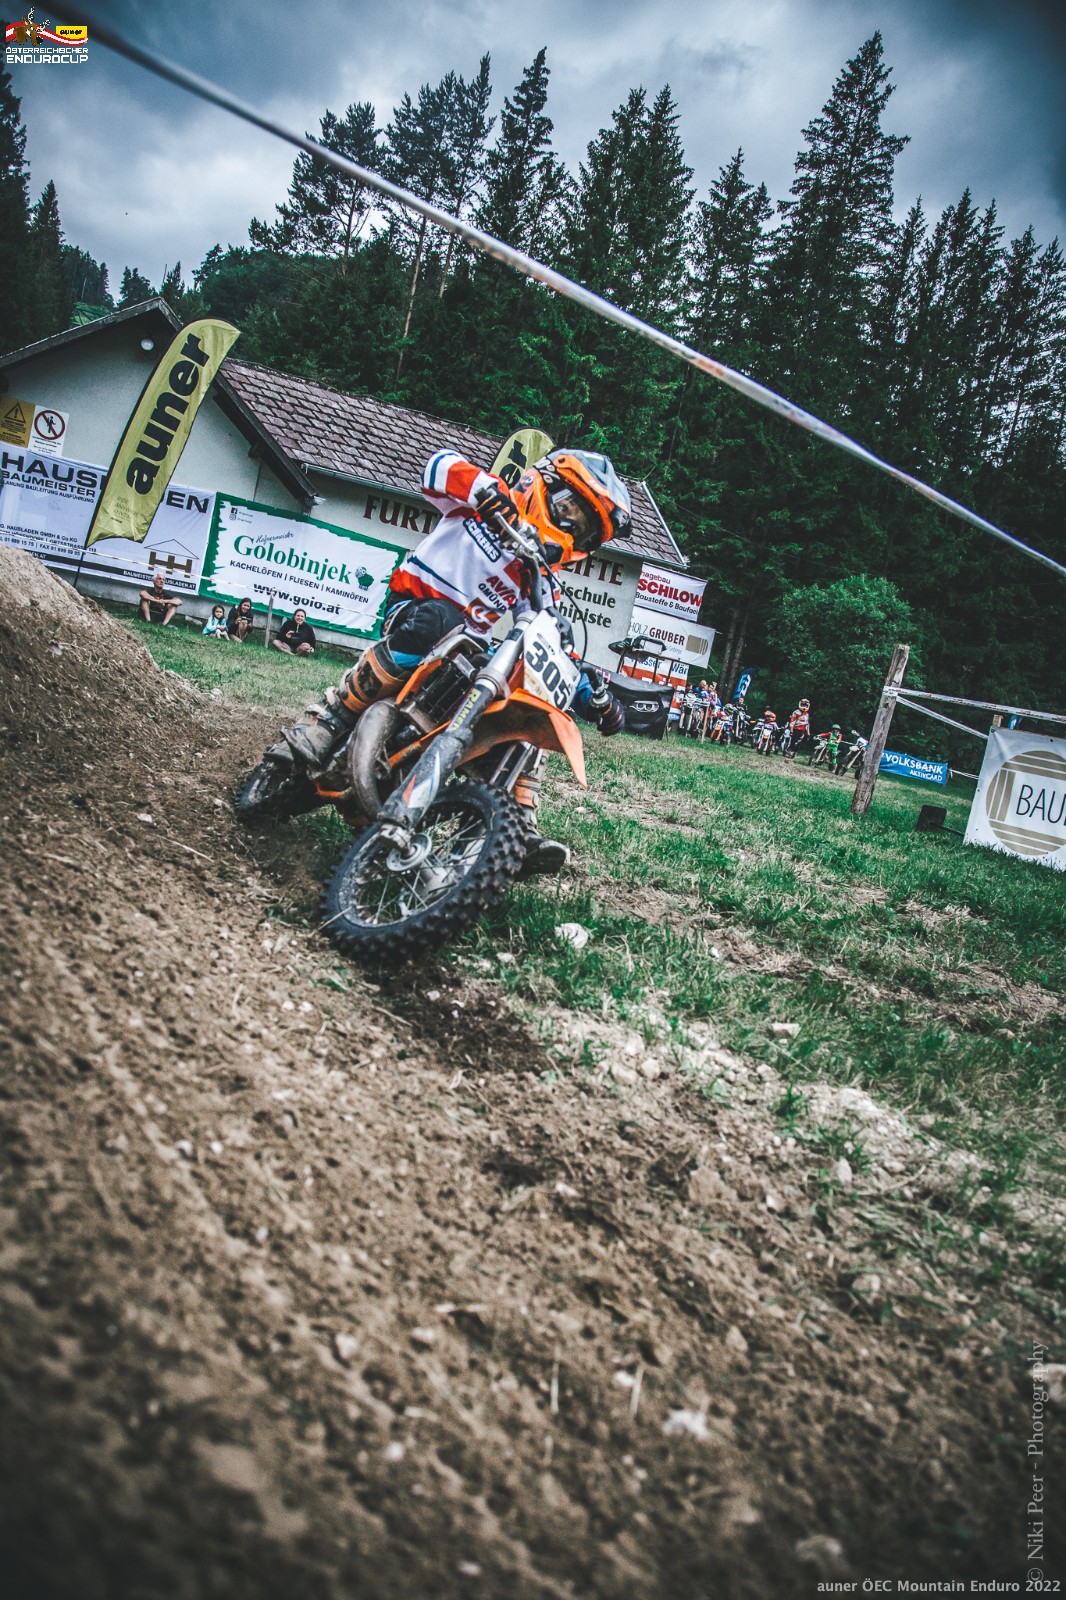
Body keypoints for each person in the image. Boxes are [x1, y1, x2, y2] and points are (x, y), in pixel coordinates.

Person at [277, 447, 631, 875]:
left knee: (525, 705)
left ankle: (515, 823)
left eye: (584, 526)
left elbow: (548, 641)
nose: (572, 524)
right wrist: (485, 492)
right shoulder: (485, 501)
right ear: (546, 484)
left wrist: (595, 697)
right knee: (442, 620)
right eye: (570, 508)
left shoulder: (537, 573)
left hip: (464, 655)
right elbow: (438, 467)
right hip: (415, 610)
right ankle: (330, 721)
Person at [784, 697, 811, 762]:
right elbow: (792, 721)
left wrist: (808, 733)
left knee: (798, 744)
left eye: (805, 705)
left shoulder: (807, 714)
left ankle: (792, 757)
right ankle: (788, 756)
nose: (804, 707)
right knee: (793, 743)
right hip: (796, 729)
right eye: (803, 705)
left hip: (802, 731)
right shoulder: (796, 712)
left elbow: (807, 724)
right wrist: (791, 730)